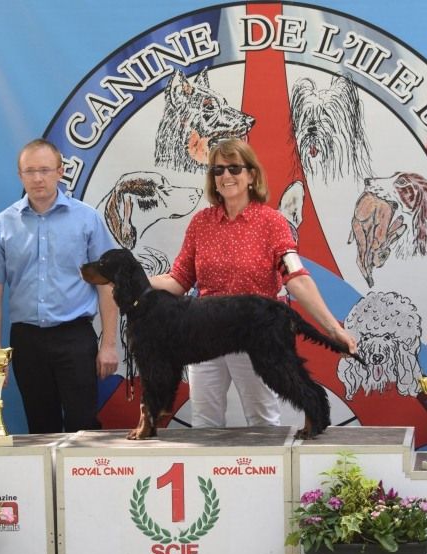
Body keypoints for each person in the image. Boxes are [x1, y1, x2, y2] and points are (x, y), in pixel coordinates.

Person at [150, 138, 357, 428]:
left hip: (255, 330)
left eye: (234, 168)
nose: (226, 176)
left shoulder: (273, 222)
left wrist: (333, 328)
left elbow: (296, 278)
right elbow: (178, 280)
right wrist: (137, 281)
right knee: (204, 419)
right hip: (204, 331)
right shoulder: (200, 223)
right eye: (218, 170)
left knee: (261, 417)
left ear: (251, 175)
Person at [0, 138, 119, 434]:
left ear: (60, 172)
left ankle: (85, 481)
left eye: (44, 169)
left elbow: (107, 286)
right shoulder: (1, 225)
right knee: (41, 427)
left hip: (75, 338)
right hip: (27, 342)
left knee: (84, 427)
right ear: (20, 175)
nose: (37, 178)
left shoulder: (87, 219)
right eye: (30, 171)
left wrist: (109, 345)